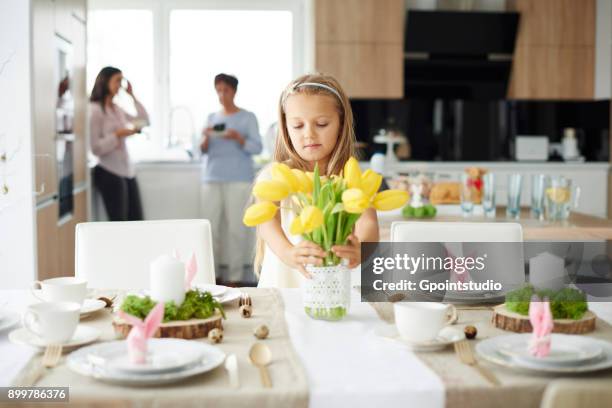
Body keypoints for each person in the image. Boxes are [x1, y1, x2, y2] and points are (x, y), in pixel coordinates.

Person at [255, 74, 379, 288]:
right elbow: (266, 223)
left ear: (341, 124)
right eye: (297, 126)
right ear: (285, 128)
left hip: (337, 283)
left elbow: (367, 222)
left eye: (321, 124)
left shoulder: (349, 176)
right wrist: (288, 252)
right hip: (286, 283)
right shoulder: (275, 175)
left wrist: (360, 246)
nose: (309, 134)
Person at [198, 73, 263, 284]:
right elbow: (200, 151)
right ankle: (211, 275)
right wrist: (205, 138)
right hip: (212, 178)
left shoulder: (247, 117)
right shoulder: (211, 119)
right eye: (218, 90)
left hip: (239, 180)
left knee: (236, 229)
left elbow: (257, 147)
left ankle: (235, 277)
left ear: (234, 91)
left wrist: (238, 138)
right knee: (210, 229)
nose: (221, 94)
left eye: (225, 90)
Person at [89, 66, 149, 221]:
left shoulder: (117, 109)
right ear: (105, 81)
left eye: (122, 81)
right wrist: (117, 135)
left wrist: (132, 96)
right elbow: (95, 148)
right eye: (117, 81)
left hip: (126, 171)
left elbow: (144, 121)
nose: (120, 85)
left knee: (137, 220)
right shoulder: (94, 110)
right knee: (119, 223)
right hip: (109, 172)